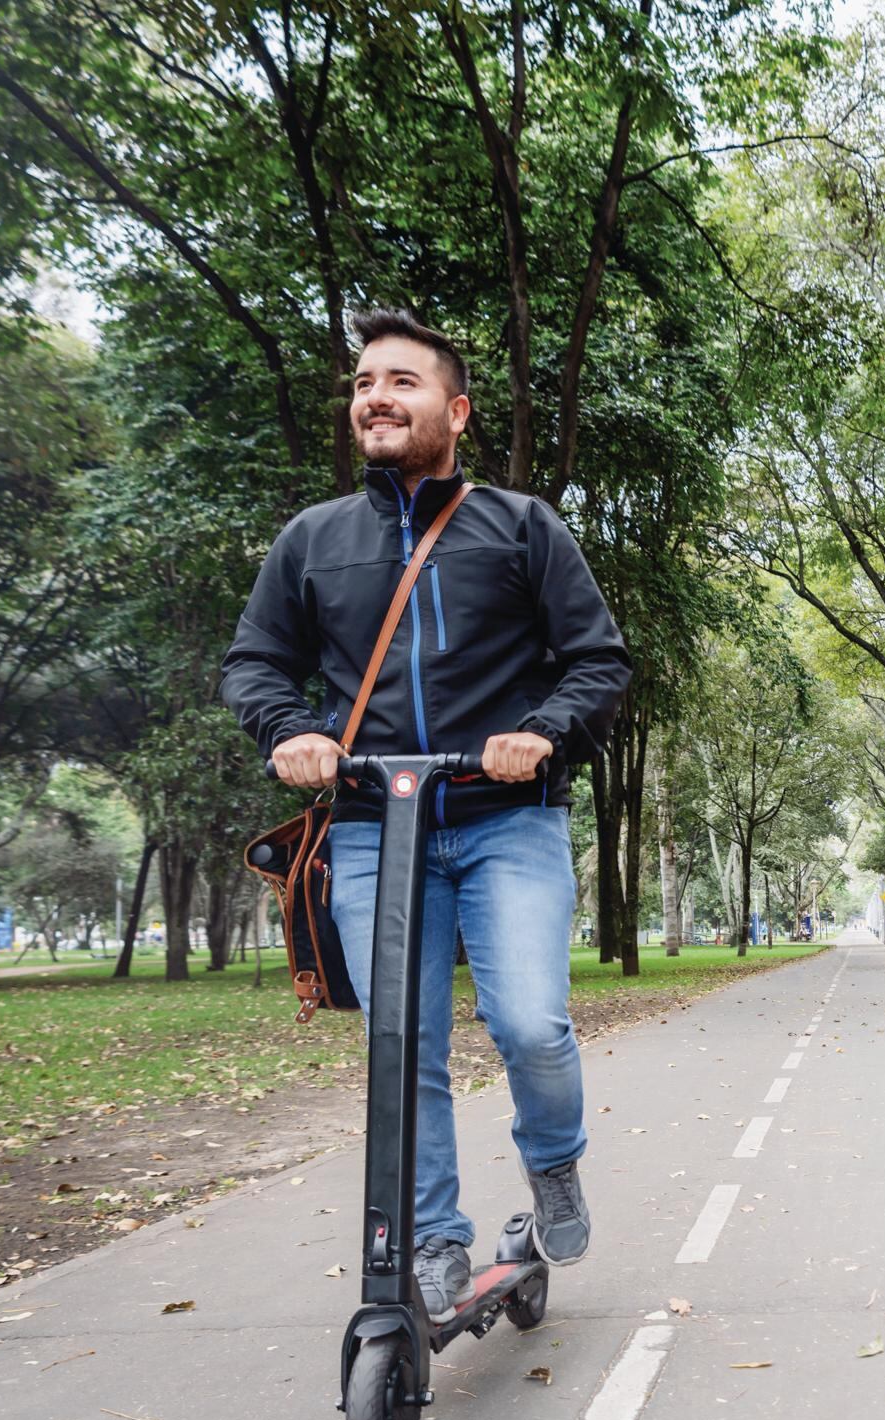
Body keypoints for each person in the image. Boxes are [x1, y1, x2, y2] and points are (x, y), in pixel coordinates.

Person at [221, 307, 631, 1323]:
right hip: (370, 824)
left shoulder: (522, 527)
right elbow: (254, 662)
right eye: (363, 383)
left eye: (399, 382)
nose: (374, 397)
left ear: (453, 410)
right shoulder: (311, 540)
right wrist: (287, 730)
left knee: (530, 1025)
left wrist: (540, 730)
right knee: (401, 1042)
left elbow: (597, 659)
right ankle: (435, 1237)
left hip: (506, 821)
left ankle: (551, 1166)